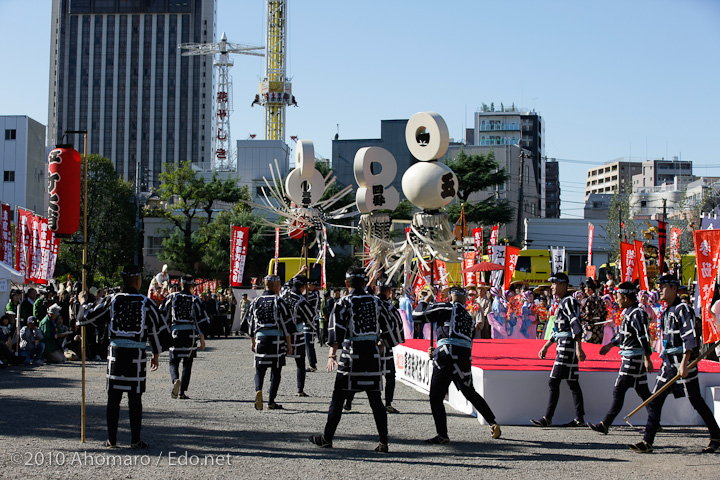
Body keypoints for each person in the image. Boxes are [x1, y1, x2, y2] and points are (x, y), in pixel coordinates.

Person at [78, 264, 172, 449]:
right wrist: (155, 352)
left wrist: (83, 303)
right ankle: (135, 439)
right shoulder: (146, 303)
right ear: (138, 282)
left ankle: (112, 439)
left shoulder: (112, 300)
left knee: (113, 397)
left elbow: (88, 317)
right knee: (135, 398)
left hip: (116, 354)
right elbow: (157, 329)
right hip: (136, 355)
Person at [309, 266, 398, 453]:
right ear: (365, 283)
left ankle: (327, 438)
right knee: (375, 400)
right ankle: (384, 442)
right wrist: (381, 346)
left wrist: (331, 354)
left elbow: (337, 331)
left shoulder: (343, 303)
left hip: (351, 355)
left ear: (346, 283)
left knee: (338, 397)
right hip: (372, 356)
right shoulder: (377, 303)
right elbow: (390, 330)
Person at [628, 274, 720, 454]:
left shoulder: (683, 309)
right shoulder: (667, 310)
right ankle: (647, 441)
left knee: (696, 401)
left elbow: (690, 338)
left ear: (673, 288)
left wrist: (686, 363)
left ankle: (716, 435)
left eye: (663, 287)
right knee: (655, 400)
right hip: (669, 363)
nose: (660, 291)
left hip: (683, 362)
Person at [413, 285, 502, 444]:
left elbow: (418, 315)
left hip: (445, 357)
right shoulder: (468, 317)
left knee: (436, 396)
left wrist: (426, 298)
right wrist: (436, 350)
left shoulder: (447, 308)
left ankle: (442, 435)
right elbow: (459, 339)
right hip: (463, 359)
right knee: (469, 392)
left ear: (450, 297)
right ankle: (493, 422)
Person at [588, 282, 654, 434]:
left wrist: (647, 358)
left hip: (633, 358)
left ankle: (605, 423)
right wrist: (609, 346)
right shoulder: (630, 313)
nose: (616, 300)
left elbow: (643, 336)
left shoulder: (637, 313)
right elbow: (622, 335)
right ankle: (655, 421)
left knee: (619, 390)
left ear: (625, 297)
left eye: (617, 297)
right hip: (633, 357)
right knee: (643, 391)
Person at [532, 273, 587, 427]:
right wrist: (545, 346)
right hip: (564, 344)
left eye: (555, 284)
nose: (552, 287)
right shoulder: (564, 302)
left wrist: (578, 347)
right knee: (573, 383)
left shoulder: (569, 301)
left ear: (563, 285)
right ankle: (579, 418)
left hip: (566, 347)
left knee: (553, 382)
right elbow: (557, 331)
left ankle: (548, 418)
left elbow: (575, 324)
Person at [247, 274, 293, 410]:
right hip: (276, 341)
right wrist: (289, 344)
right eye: (279, 285)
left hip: (260, 338)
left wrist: (252, 341)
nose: (280, 288)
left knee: (259, 370)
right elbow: (287, 325)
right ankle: (271, 402)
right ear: (274, 286)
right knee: (276, 372)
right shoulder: (279, 301)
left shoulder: (255, 301)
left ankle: (258, 390)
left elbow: (250, 324)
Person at [160, 275, 209, 400]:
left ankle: (175, 379)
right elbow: (201, 320)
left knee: (173, 361)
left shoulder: (172, 297)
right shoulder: (195, 300)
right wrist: (202, 339)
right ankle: (182, 392)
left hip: (175, 333)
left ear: (180, 284)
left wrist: (163, 334)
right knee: (187, 364)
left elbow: (162, 314)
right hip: (190, 335)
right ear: (192, 285)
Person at [280, 273, 314, 397]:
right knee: (300, 362)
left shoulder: (283, 293)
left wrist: (300, 271)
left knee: (277, 363)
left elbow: (286, 283)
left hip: (281, 333)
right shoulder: (301, 300)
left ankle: (272, 387)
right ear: (303, 286)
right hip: (295, 334)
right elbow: (311, 315)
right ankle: (300, 389)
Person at [581, 278, 606, 344]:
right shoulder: (600, 299)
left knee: (588, 348)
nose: (585, 291)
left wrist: (582, 318)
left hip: (590, 326)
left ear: (590, 289)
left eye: (586, 289)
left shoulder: (590, 299)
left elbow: (588, 314)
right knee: (597, 347)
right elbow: (605, 312)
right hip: (599, 327)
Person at [304, 280, 321, 373]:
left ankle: (312, 365)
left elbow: (303, 299)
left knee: (309, 344)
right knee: (308, 344)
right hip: (309, 322)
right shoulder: (312, 294)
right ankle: (312, 362)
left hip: (310, 323)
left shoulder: (313, 295)